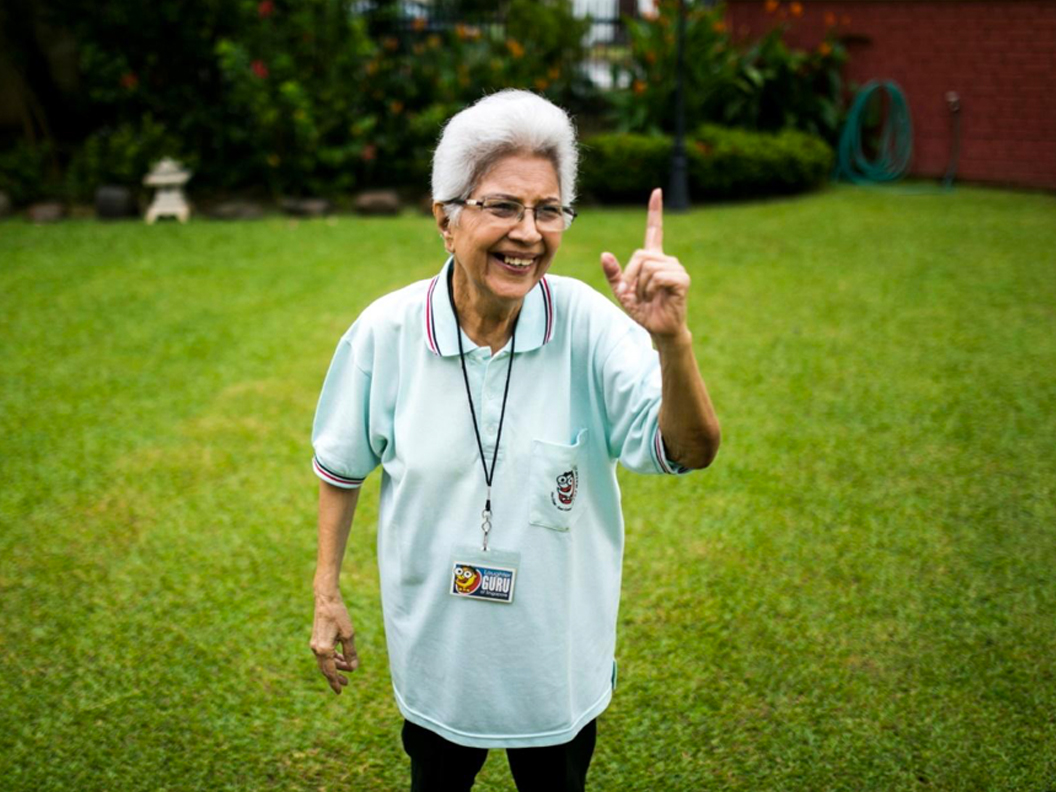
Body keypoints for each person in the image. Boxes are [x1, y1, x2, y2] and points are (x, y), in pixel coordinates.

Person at [309, 89, 720, 792]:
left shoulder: (589, 326)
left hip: (556, 668)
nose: (528, 233)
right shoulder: (385, 333)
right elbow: (342, 466)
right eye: (502, 206)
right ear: (444, 218)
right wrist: (326, 592)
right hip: (438, 660)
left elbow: (689, 448)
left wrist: (672, 342)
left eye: (548, 210)